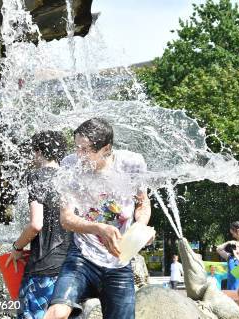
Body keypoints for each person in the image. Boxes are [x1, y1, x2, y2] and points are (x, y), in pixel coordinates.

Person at [43, 118, 151, 319]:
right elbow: (66, 219)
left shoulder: (131, 164)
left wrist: (140, 230)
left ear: (106, 148)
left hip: (119, 262)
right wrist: (99, 228)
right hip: (81, 258)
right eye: (77, 148)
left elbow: (143, 203)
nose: (79, 155)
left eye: (86, 150)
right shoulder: (70, 166)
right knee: (56, 313)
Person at [7, 131, 70, 319]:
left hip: (44, 267)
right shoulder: (71, 178)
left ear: (38, 151)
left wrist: (17, 247)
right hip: (72, 269)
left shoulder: (37, 177)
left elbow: (36, 224)